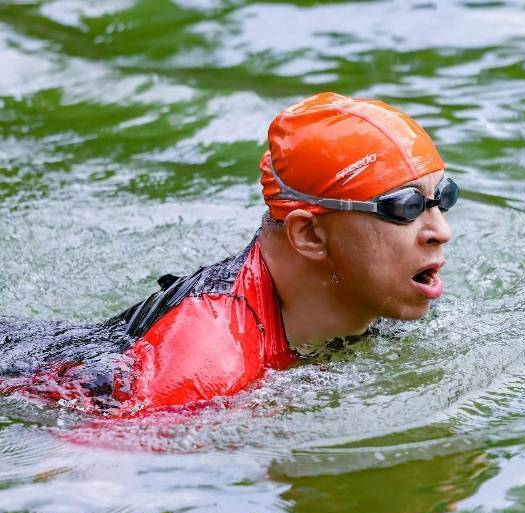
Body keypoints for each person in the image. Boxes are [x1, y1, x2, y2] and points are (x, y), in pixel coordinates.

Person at [0, 92, 457, 414]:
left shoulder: (381, 296)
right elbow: (87, 483)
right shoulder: (204, 366)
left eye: (444, 197)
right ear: (311, 236)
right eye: (405, 208)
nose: (441, 231)